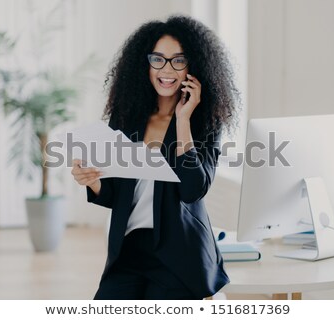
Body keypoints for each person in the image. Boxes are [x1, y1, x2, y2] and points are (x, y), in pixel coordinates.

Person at [71, 15, 240, 300]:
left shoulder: (205, 122)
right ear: (145, 64)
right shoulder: (126, 117)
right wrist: (92, 180)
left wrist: (183, 119)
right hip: (129, 250)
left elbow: (192, 190)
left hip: (180, 255)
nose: (167, 69)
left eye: (178, 60)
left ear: (192, 66)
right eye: (158, 59)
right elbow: (115, 194)